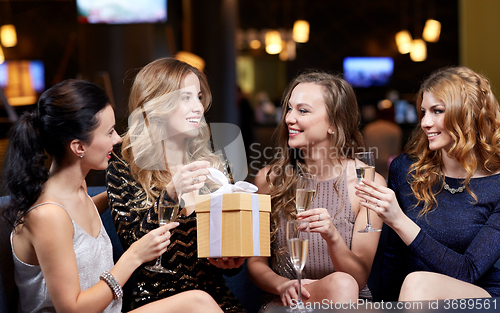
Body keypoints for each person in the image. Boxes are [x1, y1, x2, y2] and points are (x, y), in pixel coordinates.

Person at [3, 79, 224, 313]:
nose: (117, 139)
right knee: (197, 302)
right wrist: (134, 256)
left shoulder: (78, 189)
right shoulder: (48, 215)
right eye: (109, 132)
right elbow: (72, 309)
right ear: (79, 147)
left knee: (198, 301)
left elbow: (83, 216)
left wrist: (141, 188)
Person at [106, 58, 245, 311]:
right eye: (186, 98)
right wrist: (170, 195)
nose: (198, 108)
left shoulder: (214, 167)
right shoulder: (124, 165)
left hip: (214, 298)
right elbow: (132, 243)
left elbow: (228, 251)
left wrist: (231, 260)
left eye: (199, 97)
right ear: (157, 103)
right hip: (158, 301)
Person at [355, 66, 500, 301]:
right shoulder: (406, 169)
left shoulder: (497, 184)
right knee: (415, 282)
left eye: (437, 111)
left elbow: (469, 271)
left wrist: (399, 220)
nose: (424, 122)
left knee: (418, 281)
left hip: (481, 296)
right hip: (416, 298)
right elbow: (395, 256)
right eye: (423, 112)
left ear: (467, 113)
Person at [246, 71, 386, 310]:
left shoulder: (367, 182)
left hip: (347, 302)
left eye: (303, 111)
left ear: (334, 123)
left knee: (342, 285)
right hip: (286, 302)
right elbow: (256, 263)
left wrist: (332, 237)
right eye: (289, 109)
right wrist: (282, 285)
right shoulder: (269, 180)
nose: (289, 118)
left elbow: (359, 277)